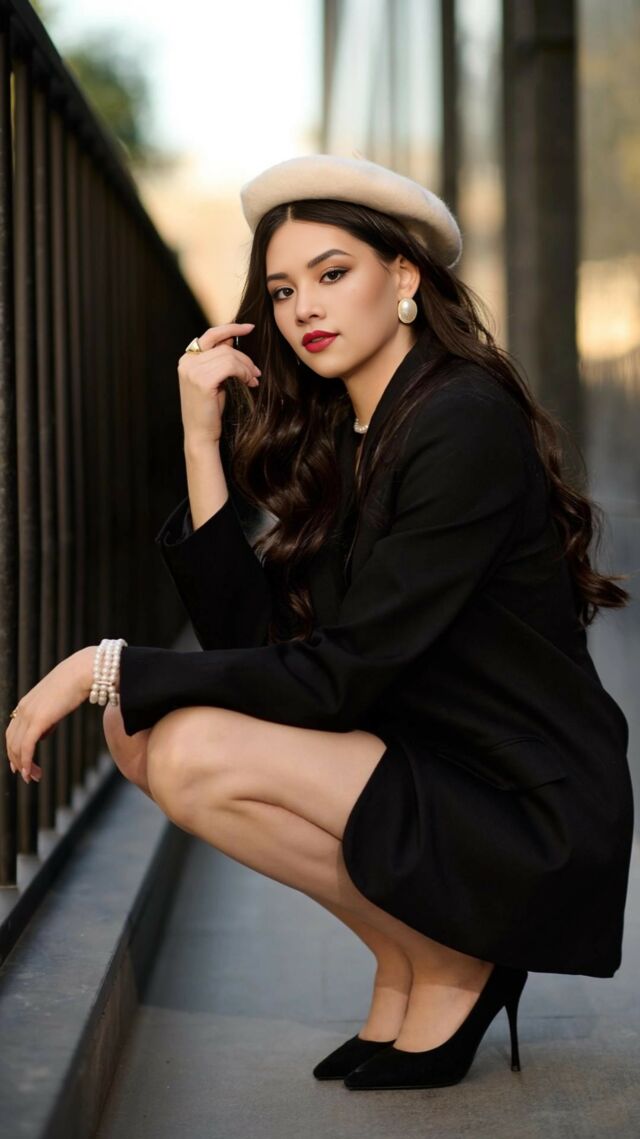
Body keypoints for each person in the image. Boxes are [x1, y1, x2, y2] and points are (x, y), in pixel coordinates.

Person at [5, 154, 635, 1092]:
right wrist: (200, 439)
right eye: (283, 289)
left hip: (523, 806)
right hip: (433, 764)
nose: (306, 309)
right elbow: (254, 651)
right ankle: (413, 952)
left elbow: (342, 674)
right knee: (137, 731)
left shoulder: (461, 422)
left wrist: (106, 662)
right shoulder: (355, 430)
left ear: (404, 276)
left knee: (180, 742)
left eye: (333, 273)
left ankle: (454, 956)